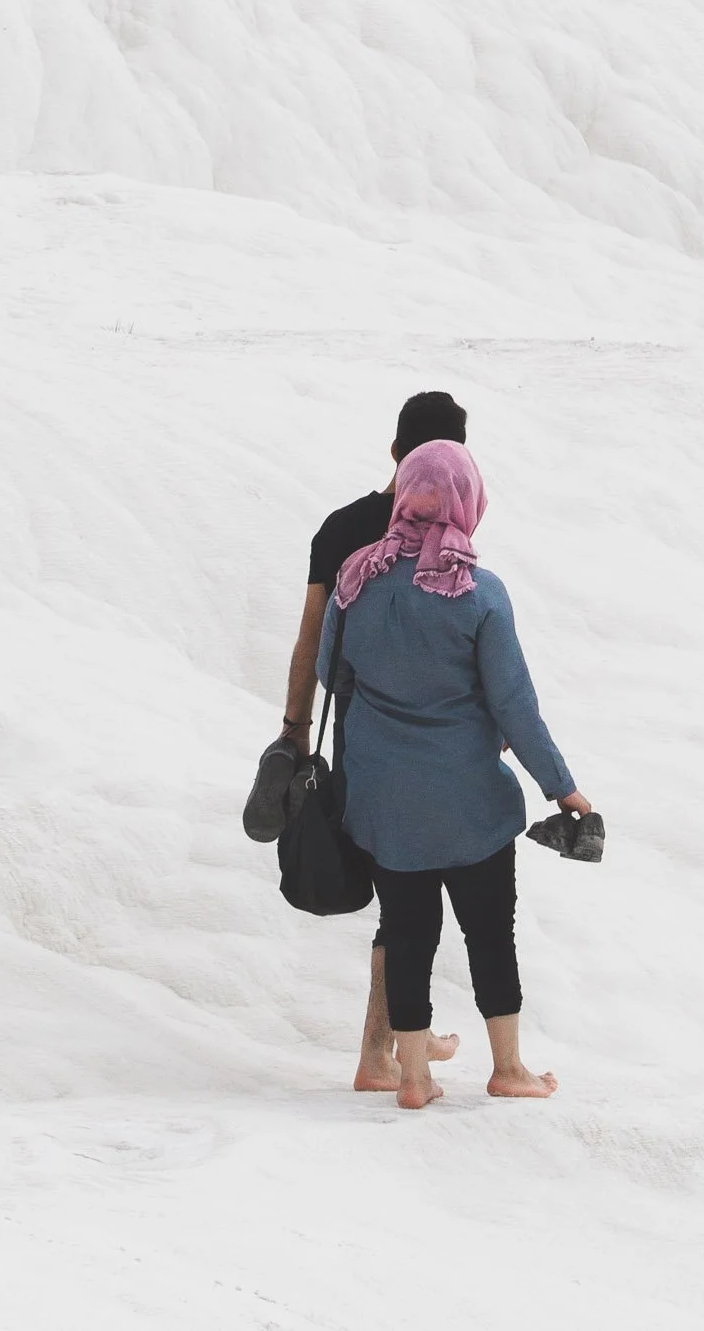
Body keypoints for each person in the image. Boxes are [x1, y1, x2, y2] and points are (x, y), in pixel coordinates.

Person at [319, 438, 593, 1110]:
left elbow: (332, 674)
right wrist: (562, 786)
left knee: (408, 933)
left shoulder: (356, 578)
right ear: (468, 502)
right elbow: (514, 705)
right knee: (489, 933)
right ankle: (509, 1070)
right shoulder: (478, 593)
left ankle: (412, 1078)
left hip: (386, 803)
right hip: (471, 803)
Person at [278, 392, 473, 1091]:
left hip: (360, 732)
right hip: (418, 742)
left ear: (394, 453)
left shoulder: (340, 528)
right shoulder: (442, 536)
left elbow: (310, 642)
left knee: (407, 892)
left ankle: (397, 1037)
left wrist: (292, 734)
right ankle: (378, 1051)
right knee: (412, 892)